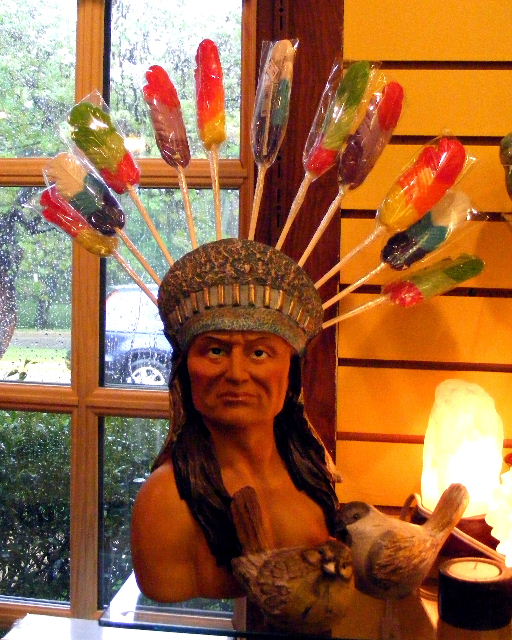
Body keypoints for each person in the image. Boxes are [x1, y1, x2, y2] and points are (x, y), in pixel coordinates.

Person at [131, 238, 340, 604]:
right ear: (186, 369)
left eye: (259, 352)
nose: (237, 374)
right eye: (216, 350)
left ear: (290, 370)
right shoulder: (166, 501)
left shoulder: (315, 473)